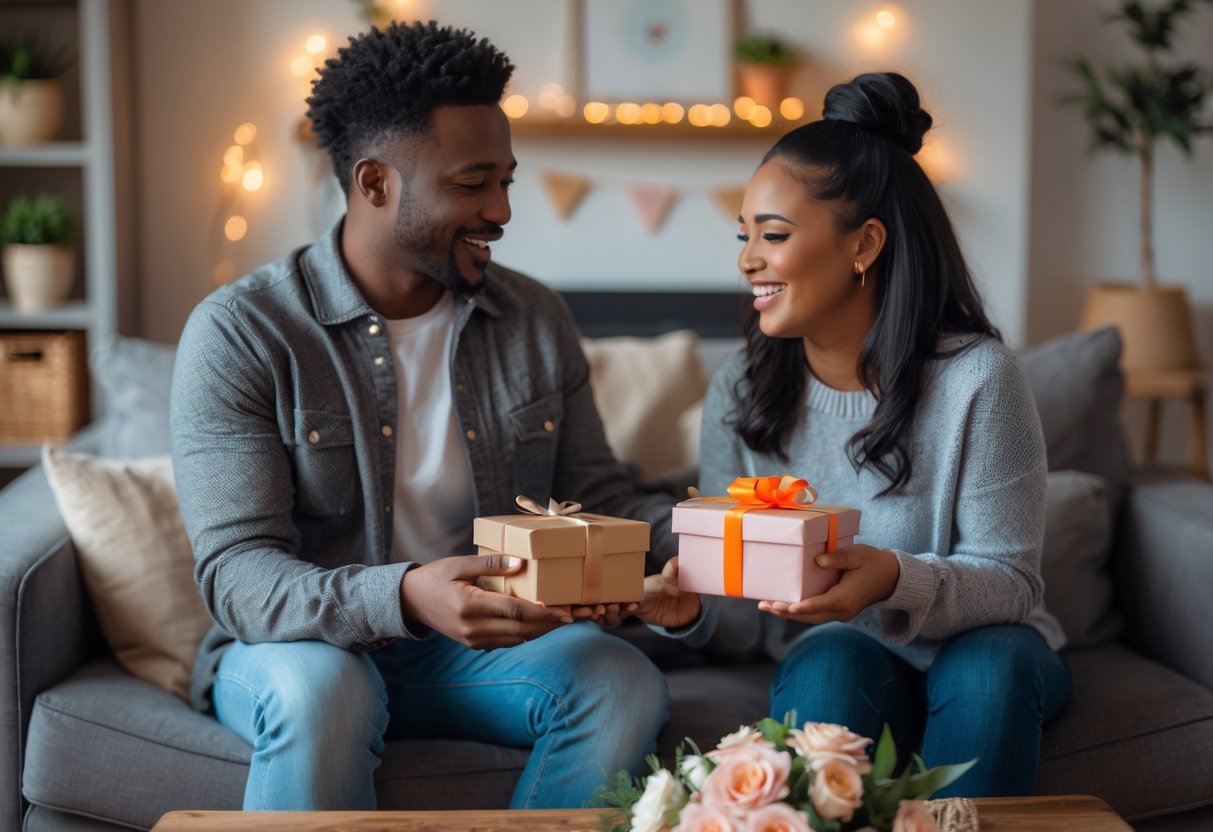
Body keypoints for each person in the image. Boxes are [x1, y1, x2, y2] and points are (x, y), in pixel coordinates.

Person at [170, 20, 701, 811]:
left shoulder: (534, 318)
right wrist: (408, 594)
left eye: (507, 182)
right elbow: (239, 577)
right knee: (328, 693)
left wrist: (719, 544)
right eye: (472, 183)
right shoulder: (243, 331)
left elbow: (599, 502)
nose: (501, 210)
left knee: (618, 678)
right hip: (302, 650)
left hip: (476, 656)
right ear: (376, 183)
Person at [697, 72, 1070, 797]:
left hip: (988, 644)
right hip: (842, 650)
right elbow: (735, 594)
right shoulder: (740, 389)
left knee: (987, 666)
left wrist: (895, 577)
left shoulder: (977, 379)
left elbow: (1014, 582)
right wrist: (682, 604)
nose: (746, 259)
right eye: (743, 236)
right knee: (829, 660)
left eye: (772, 235)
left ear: (864, 243)